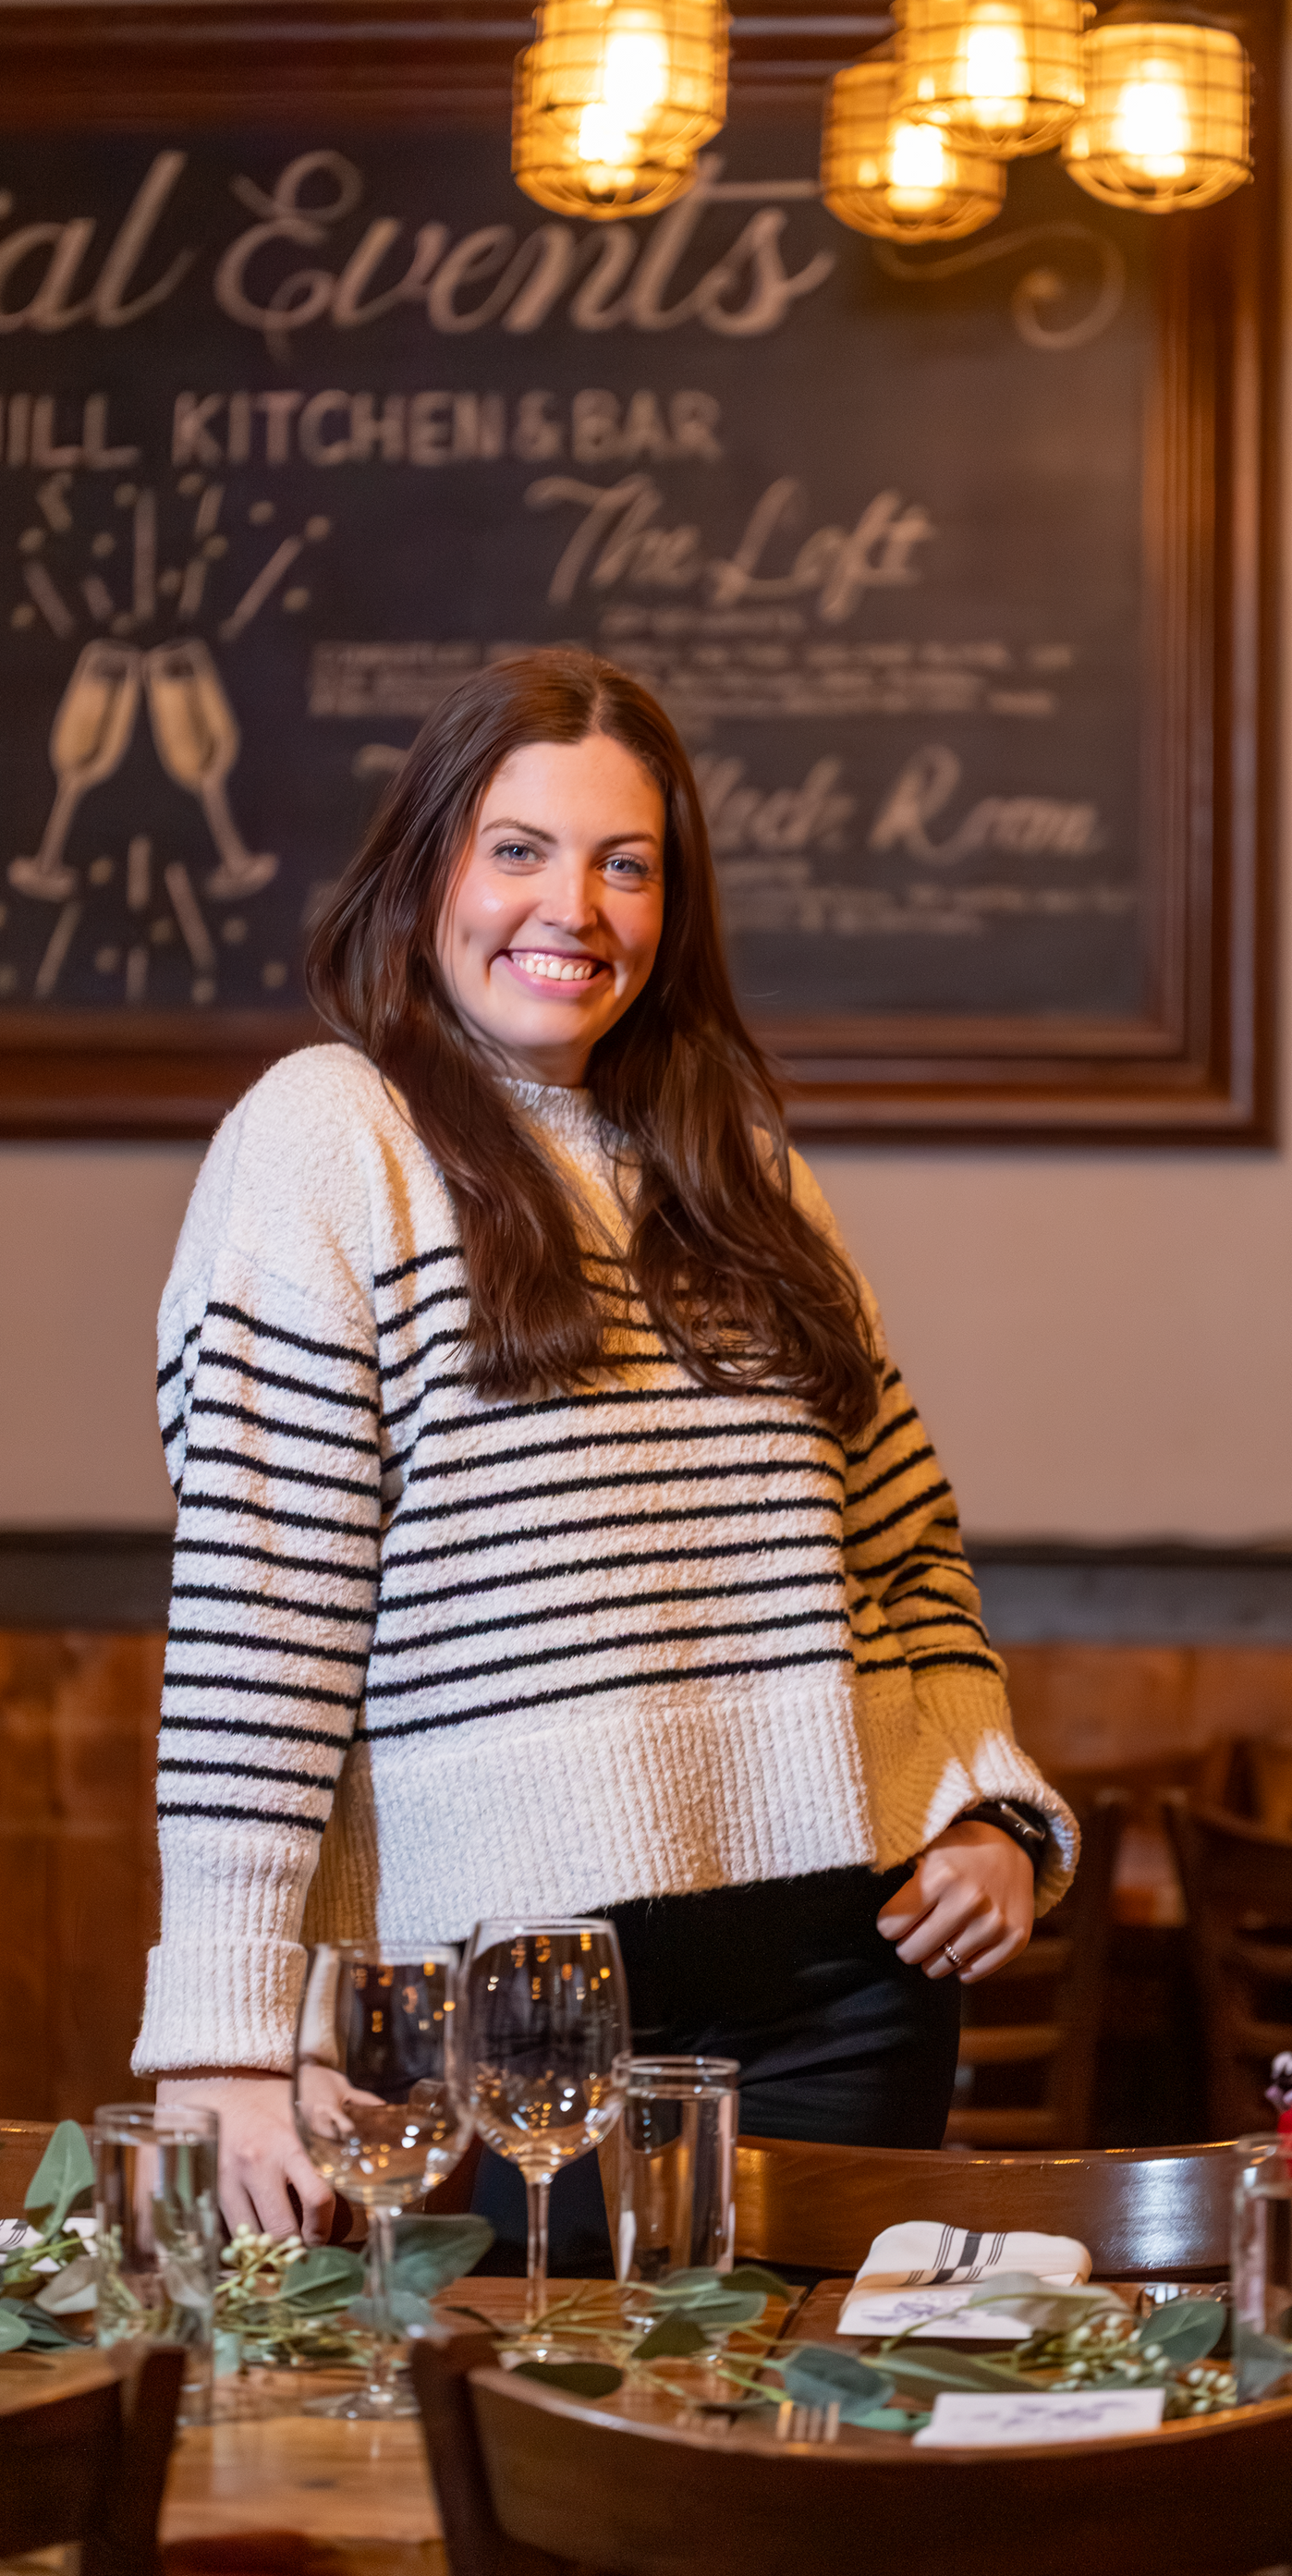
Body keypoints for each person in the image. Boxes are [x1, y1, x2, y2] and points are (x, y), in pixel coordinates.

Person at [134, 648, 1078, 2250]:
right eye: (518, 849)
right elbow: (260, 1617)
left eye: (624, 864)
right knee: (538, 2476)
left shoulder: (742, 1170)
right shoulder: (327, 1134)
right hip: (503, 2025)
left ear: (672, 905)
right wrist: (222, 2038)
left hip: (842, 1997)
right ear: (428, 864)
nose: (570, 906)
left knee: (800, 2476)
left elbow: (902, 1537)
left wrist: (990, 1806)